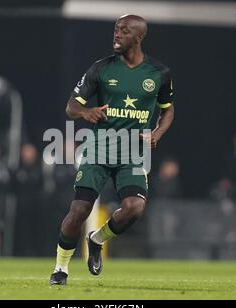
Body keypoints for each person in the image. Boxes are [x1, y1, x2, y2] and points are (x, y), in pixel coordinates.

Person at [49, 14, 175, 285]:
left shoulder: (159, 73)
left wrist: (158, 132)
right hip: (99, 148)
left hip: (132, 152)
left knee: (134, 208)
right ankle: (61, 268)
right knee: (80, 210)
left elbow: (168, 110)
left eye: (124, 31)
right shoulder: (101, 68)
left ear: (138, 37)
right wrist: (86, 111)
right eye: (116, 29)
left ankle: (97, 240)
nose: (117, 35)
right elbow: (71, 107)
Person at [14, 143, 43, 256]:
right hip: (21, 206)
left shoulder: (38, 170)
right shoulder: (18, 170)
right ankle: (21, 252)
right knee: (22, 231)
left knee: (36, 230)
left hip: (36, 207)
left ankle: (35, 252)